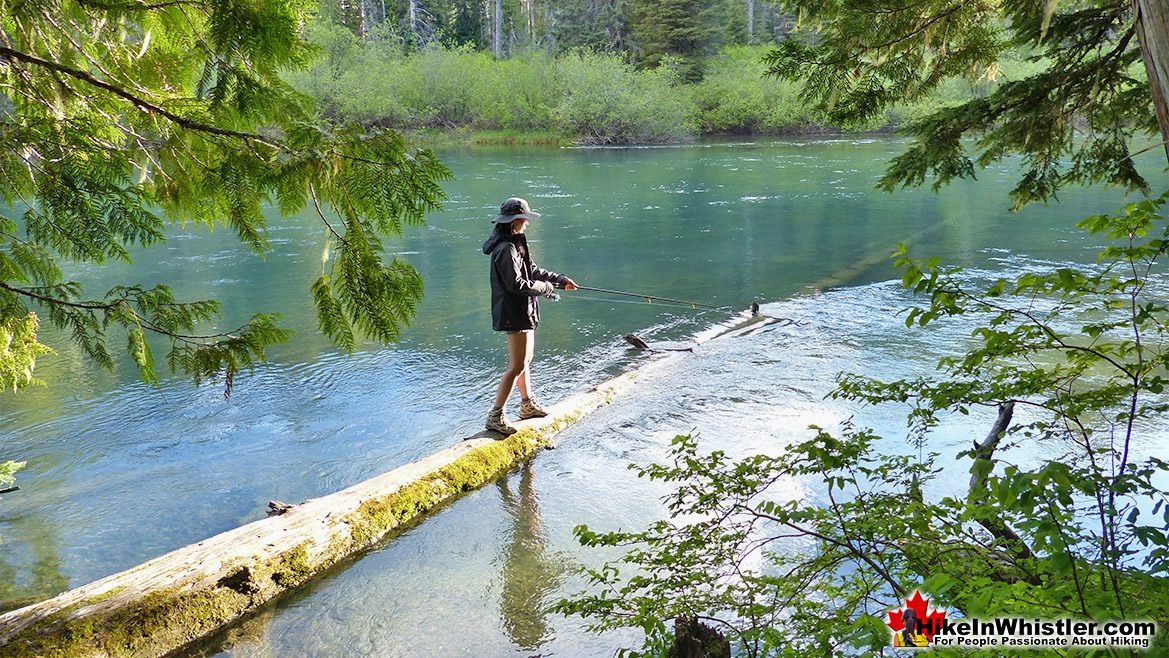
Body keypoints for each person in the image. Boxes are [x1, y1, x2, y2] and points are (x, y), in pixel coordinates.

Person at [482, 197, 577, 436]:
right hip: (513, 312)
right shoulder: (505, 249)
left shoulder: (516, 243)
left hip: (524, 310)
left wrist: (559, 279)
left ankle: (527, 405)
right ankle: (496, 416)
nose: (527, 223)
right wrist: (545, 288)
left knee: (525, 361)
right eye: (524, 219)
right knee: (516, 366)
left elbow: (532, 270)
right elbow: (516, 284)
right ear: (514, 221)